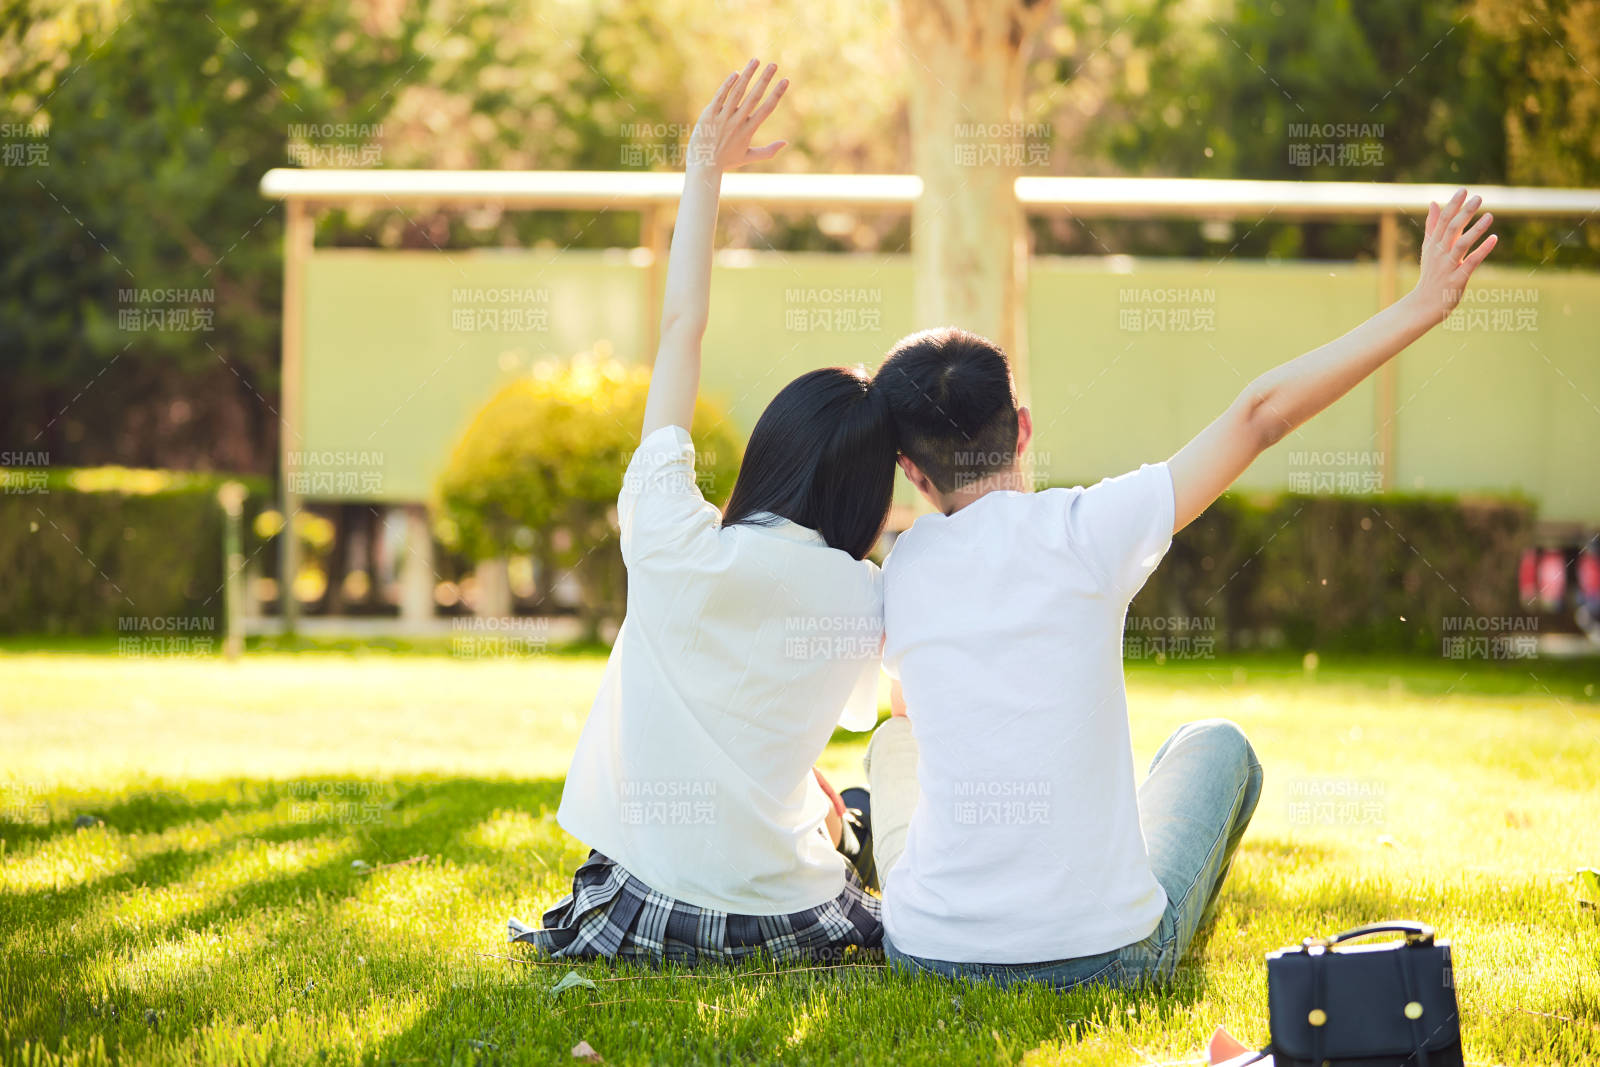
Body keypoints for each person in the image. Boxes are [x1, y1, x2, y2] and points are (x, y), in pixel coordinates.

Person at [864, 189, 1498, 989]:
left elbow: (918, 708)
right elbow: (1261, 414)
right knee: (1218, 745)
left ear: (912, 473)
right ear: (1022, 427)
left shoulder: (905, 569)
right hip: (1110, 960)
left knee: (896, 735)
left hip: (928, 952)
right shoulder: (1090, 529)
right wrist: (1423, 303)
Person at [510, 60, 892, 964]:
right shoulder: (864, 597)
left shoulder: (669, 533)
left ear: (770, 450)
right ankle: (854, 828)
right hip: (787, 925)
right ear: (870, 493)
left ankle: (841, 821)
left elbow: (682, 328)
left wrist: (703, 172)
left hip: (643, 910)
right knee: (856, 815)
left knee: (834, 805)